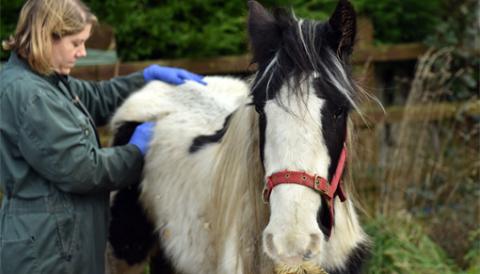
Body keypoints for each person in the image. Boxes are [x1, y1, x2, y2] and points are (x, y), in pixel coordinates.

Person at [0, 0, 206, 273]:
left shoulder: (45, 81)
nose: (83, 52)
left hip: (56, 239)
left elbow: (96, 98)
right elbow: (84, 171)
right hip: (48, 252)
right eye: (76, 43)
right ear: (46, 36)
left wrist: (146, 78)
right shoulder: (31, 94)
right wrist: (136, 151)